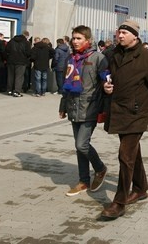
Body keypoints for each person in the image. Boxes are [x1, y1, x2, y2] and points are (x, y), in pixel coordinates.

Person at [101, 20, 148, 220]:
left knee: (124, 155)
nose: (120, 36)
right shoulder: (115, 53)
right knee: (132, 154)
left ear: (135, 36)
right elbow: (109, 76)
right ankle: (141, 187)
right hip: (119, 110)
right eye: (119, 32)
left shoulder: (146, 57)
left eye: (124, 33)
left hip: (136, 113)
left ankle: (119, 202)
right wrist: (107, 86)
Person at [59, 25, 108, 197]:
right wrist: (63, 105)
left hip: (90, 108)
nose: (75, 41)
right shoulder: (70, 58)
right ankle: (83, 181)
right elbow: (66, 83)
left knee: (82, 144)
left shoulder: (98, 58)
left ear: (88, 40)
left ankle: (100, 168)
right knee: (79, 147)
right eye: (73, 38)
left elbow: (105, 82)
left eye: (79, 38)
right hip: (73, 106)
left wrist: (106, 106)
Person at [5, 31, 31, 97]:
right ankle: (17, 91)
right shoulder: (26, 43)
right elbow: (28, 53)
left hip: (11, 61)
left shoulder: (11, 41)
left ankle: (9, 90)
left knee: (10, 76)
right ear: (26, 36)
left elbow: (6, 50)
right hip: (21, 62)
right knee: (19, 77)